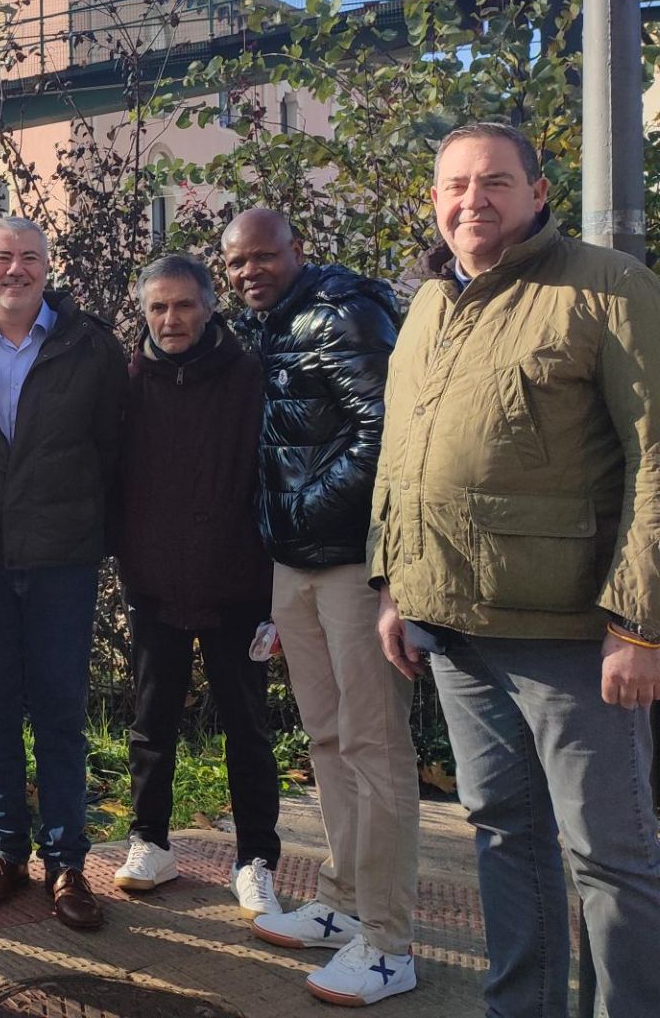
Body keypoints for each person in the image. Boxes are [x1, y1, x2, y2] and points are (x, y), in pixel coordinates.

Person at [371, 122, 660, 1016]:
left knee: (609, 857)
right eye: (455, 185)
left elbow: (657, 455)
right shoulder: (426, 304)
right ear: (434, 201)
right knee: (503, 834)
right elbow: (402, 454)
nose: (473, 200)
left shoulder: (608, 287)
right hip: (455, 633)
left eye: (495, 181)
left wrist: (640, 625)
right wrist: (394, 586)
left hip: (575, 637)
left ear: (539, 192)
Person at [222, 207, 418, 1006]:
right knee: (329, 740)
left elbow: (385, 430)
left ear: (297, 251)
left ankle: (389, 943)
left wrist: (303, 514)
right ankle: (339, 903)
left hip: (348, 564)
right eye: (236, 263)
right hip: (293, 566)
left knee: (375, 749)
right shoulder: (271, 324)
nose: (249, 272)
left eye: (263, 256)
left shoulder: (344, 311)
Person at [0, 216, 126, 930]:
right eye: (2, 257)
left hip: (60, 559)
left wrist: (83, 526)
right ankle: (4, 852)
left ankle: (67, 862)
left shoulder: (89, 346)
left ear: (49, 266)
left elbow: (111, 447)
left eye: (30, 257)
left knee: (60, 713)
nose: (16, 269)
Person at [108, 254, 282, 916]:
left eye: (182, 305)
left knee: (247, 728)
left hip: (238, 585)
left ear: (210, 306)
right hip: (154, 583)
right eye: (157, 307)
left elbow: (270, 475)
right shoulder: (128, 382)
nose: (170, 319)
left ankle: (256, 858)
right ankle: (150, 841)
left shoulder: (248, 377)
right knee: (151, 723)